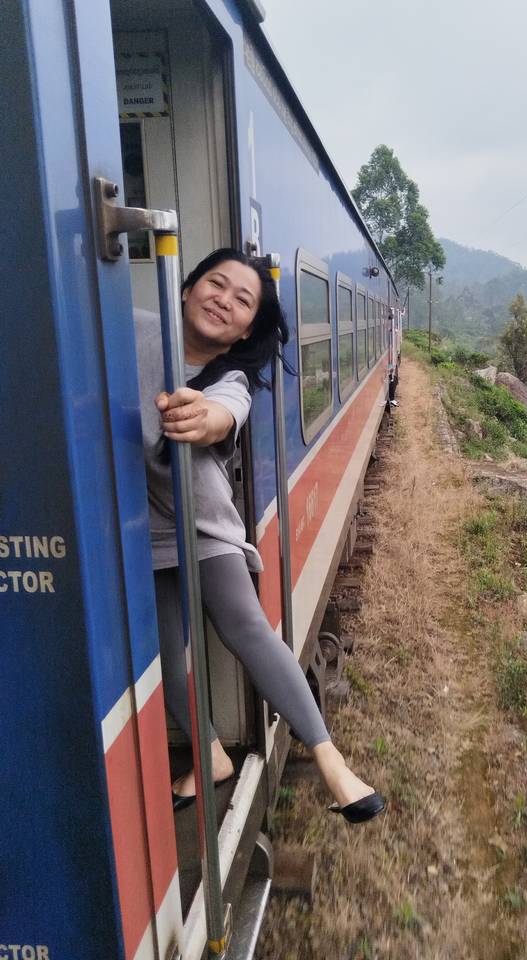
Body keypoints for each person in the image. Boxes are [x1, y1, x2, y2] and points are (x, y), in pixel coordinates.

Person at [135, 248, 385, 825]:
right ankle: (210, 755)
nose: (223, 299)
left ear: (247, 328)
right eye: (215, 284)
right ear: (186, 289)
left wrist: (201, 417)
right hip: (139, 531)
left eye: (242, 299)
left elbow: (221, 414)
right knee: (165, 658)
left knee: (247, 631)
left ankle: (331, 762)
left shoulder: (232, 382)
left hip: (203, 526)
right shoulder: (131, 332)